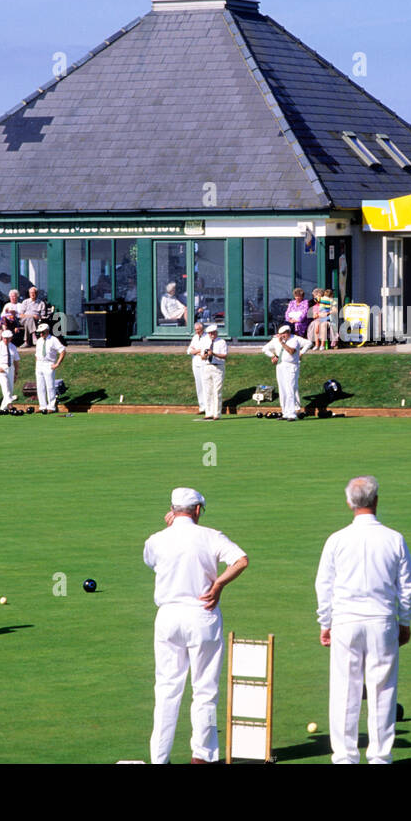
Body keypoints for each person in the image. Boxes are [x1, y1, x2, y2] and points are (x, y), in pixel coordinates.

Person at [315, 476, 411, 765]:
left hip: (346, 622)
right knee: (382, 690)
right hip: (382, 621)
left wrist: (326, 622)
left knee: (344, 690)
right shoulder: (394, 538)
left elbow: (324, 585)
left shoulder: (337, 539)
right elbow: (406, 585)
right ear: (376, 501)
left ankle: (345, 757)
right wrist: (404, 621)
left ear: (349, 503)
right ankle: (380, 758)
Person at [143, 488, 248, 764]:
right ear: (198, 510)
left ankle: (160, 758)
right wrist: (219, 583)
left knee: (166, 690)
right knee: (205, 690)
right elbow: (241, 560)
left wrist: (170, 531)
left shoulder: (156, 540)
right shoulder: (211, 536)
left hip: (167, 618)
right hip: (203, 614)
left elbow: (153, 561)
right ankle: (203, 756)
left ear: (173, 510)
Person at [261, 325, 310, 421]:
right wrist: (273, 356)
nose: (282, 335)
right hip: (280, 366)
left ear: (288, 332)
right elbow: (264, 349)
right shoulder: (276, 340)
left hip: (291, 366)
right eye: (281, 334)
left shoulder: (295, 340)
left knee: (290, 389)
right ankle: (285, 413)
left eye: (284, 333)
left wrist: (301, 352)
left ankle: (292, 414)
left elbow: (291, 351)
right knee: (282, 389)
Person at [34, 323, 65, 414]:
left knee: (50, 386)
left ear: (47, 331)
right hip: (39, 364)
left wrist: (57, 363)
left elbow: (62, 351)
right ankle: (42, 406)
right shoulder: (39, 341)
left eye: (42, 332)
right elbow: (37, 354)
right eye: (39, 333)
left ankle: (51, 406)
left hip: (49, 364)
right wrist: (37, 364)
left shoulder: (53, 340)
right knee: (40, 386)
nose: (41, 334)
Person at [200, 323, 227, 420]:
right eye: (210, 333)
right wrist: (206, 355)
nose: (211, 335)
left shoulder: (222, 342)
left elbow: (224, 355)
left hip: (218, 367)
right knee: (207, 390)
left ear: (216, 332)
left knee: (217, 391)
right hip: (207, 367)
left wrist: (214, 354)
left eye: (213, 333)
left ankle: (217, 413)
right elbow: (202, 356)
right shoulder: (204, 342)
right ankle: (208, 413)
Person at [0, 329, 20, 411]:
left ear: (11, 338)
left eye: (8, 338)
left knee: (11, 388)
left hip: (10, 368)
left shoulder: (13, 347)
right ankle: (10, 404)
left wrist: (16, 373)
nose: (6, 340)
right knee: (5, 385)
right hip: (0, 368)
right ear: (2, 337)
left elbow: (16, 361)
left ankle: (3, 408)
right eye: (4, 338)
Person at [186, 320, 208, 414]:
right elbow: (189, 350)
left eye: (198, 329)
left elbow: (205, 351)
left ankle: (208, 407)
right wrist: (197, 351)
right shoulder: (195, 337)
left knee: (206, 385)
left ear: (202, 329)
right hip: (195, 363)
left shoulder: (207, 337)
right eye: (195, 329)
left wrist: (197, 351)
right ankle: (202, 407)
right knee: (198, 385)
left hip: (205, 363)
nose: (197, 331)